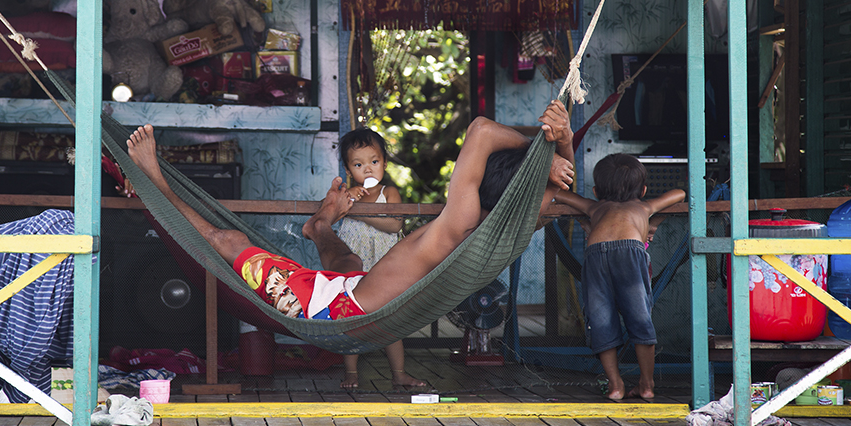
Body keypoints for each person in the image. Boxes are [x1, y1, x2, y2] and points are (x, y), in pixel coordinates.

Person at [123, 99, 574, 335]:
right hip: (351, 295)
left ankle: (155, 182)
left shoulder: (470, 226)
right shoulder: (491, 230)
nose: (548, 198)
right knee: (345, 267)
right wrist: (555, 144)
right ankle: (319, 227)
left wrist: (545, 145)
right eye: (542, 189)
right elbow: (551, 186)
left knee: (227, 242)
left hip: (340, 312)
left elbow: (485, 133)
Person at [552, 153, 685, 400]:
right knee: (640, 319)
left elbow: (560, 194)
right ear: (643, 189)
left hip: (595, 256)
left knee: (601, 320)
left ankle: (615, 386)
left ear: (595, 190)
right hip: (630, 254)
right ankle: (646, 385)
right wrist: (651, 217)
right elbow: (679, 194)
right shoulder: (644, 207)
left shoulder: (595, 206)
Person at [335, 127, 422, 389]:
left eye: (374, 162)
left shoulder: (390, 193)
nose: (369, 169)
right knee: (350, 320)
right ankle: (351, 372)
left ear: (384, 162)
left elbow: (395, 225)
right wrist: (349, 201)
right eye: (359, 164)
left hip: (384, 268)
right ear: (349, 171)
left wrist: (359, 212)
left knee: (389, 322)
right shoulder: (347, 195)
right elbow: (331, 217)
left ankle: (399, 374)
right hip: (355, 269)